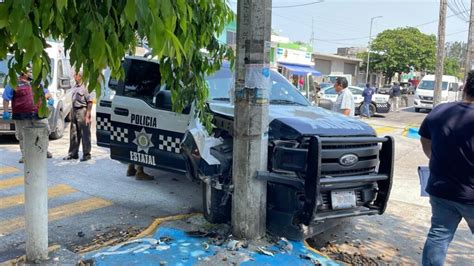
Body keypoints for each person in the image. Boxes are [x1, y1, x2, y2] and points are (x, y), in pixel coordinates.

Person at [419, 70, 474, 266]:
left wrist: (434, 158)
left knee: (438, 236)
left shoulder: (440, 111)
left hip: (441, 189)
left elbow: (425, 138)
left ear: (465, 87)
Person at [2, 70, 54, 163]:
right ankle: (25, 155)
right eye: (29, 71)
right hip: (21, 115)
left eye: (31, 70)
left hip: (39, 113)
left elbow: (47, 93)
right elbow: (6, 98)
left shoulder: (37, 81)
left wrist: (49, 98)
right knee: (22, 135)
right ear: (23, 73)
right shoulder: (13, 83)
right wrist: (6, 111)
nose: (31, 72)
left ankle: (44, 150)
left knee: (45, 131)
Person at [64, 71, 93, 161]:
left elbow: (90, 102)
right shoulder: (75, 87)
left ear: (80, 77)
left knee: (85, 134)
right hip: (74, 110)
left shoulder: (85, 87)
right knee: (74, 133)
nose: (74, 76)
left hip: (82, 111)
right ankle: (73, 153)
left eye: (76, 75)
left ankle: (86, 154)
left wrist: (87, 114)